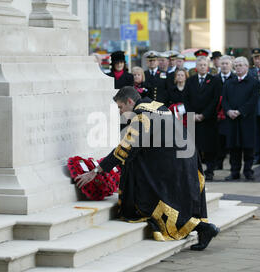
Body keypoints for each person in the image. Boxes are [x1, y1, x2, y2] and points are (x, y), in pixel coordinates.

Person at [75, 86, 219, 251]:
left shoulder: (141, 115)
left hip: (172, 161)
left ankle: (203, 228)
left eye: (121, 107)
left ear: (130, 101)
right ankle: (203, 229)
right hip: (186, 157)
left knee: (156, 199)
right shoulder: (157, 106)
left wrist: (96, 171)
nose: (121, 112)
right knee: (176, 198)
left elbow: (126, 147)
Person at [222, 57, 259, 181]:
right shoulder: (229, 82)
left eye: (240, 65)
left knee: (248, 147)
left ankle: (248, 171)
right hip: (232, 119)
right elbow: (224, 100)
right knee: (234, 148)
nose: (237, 67)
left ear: (247, 67)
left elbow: (253, 101)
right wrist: (228, 111)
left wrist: (240, 111)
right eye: (236, 65)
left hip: (246, 119)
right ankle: (234, 171)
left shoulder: (253, 82)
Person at [184, 57, 219, 181]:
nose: (202, 67)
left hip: (208, 119)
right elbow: (186, 99)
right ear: (196, 67)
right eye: (200, 65)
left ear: (208, 66)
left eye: (204, 65)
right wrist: (192, 114)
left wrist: (204, 115)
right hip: (193, 119)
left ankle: (210, 171)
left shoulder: (214, 80)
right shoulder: (190, 81)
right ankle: (195, 170)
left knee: (210, 146)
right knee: (194, 147)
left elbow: (215, 100)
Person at [215, 55, 237, 170]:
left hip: (230, 114)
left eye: (226, 63)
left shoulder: (235, 78)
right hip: (217, 115)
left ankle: (233, 166)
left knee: (231, 141)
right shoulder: (214, 79)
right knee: (219, 141)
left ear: (231, 65)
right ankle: (218, 164)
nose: (224, 66)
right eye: (222, 63)